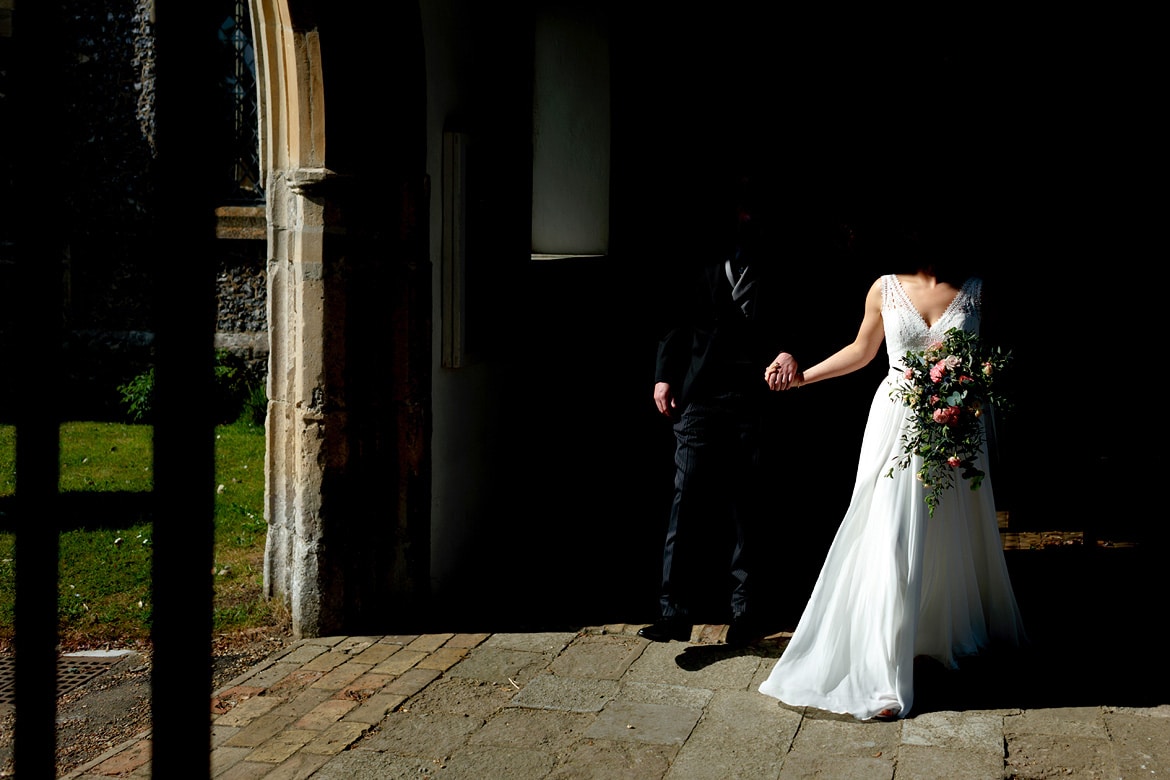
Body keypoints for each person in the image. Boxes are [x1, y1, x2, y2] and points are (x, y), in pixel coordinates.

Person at [756, 220, 1027, 720]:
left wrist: (974, 391)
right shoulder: (883, 287)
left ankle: (940, 633)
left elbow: (992, 361)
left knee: (950, 535)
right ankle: (883, 669)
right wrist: (802, 380)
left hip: (956, 425)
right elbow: (862, 352)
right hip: (896, 426)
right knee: (891, 531)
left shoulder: (976, 290)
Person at [640, 174, 800, 648]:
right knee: (685, 499)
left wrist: (791, 351)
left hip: (758, 396)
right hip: (701, 394)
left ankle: (746, 613)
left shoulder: (783, 260)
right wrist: (664, 375)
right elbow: (675, 319)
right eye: (743, 210)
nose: (749, 219)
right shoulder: (701, 256)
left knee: (748, 506)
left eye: (756, 211)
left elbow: (802, 315)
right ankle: (673, 613)